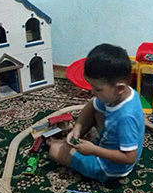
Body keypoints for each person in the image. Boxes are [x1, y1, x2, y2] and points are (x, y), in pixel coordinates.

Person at [47, 43, 145, 183]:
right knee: (95, 110)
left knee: (54, 150)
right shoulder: (122, 93)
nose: (92, 91)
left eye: (97, 89)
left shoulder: (126, 117)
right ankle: (75, 142)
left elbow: (129, 157)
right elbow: (91, 105)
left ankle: (69, 147)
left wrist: (94, 150)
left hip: (110, 167)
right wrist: (77, 128)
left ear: (119, 88)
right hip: (107, 143)